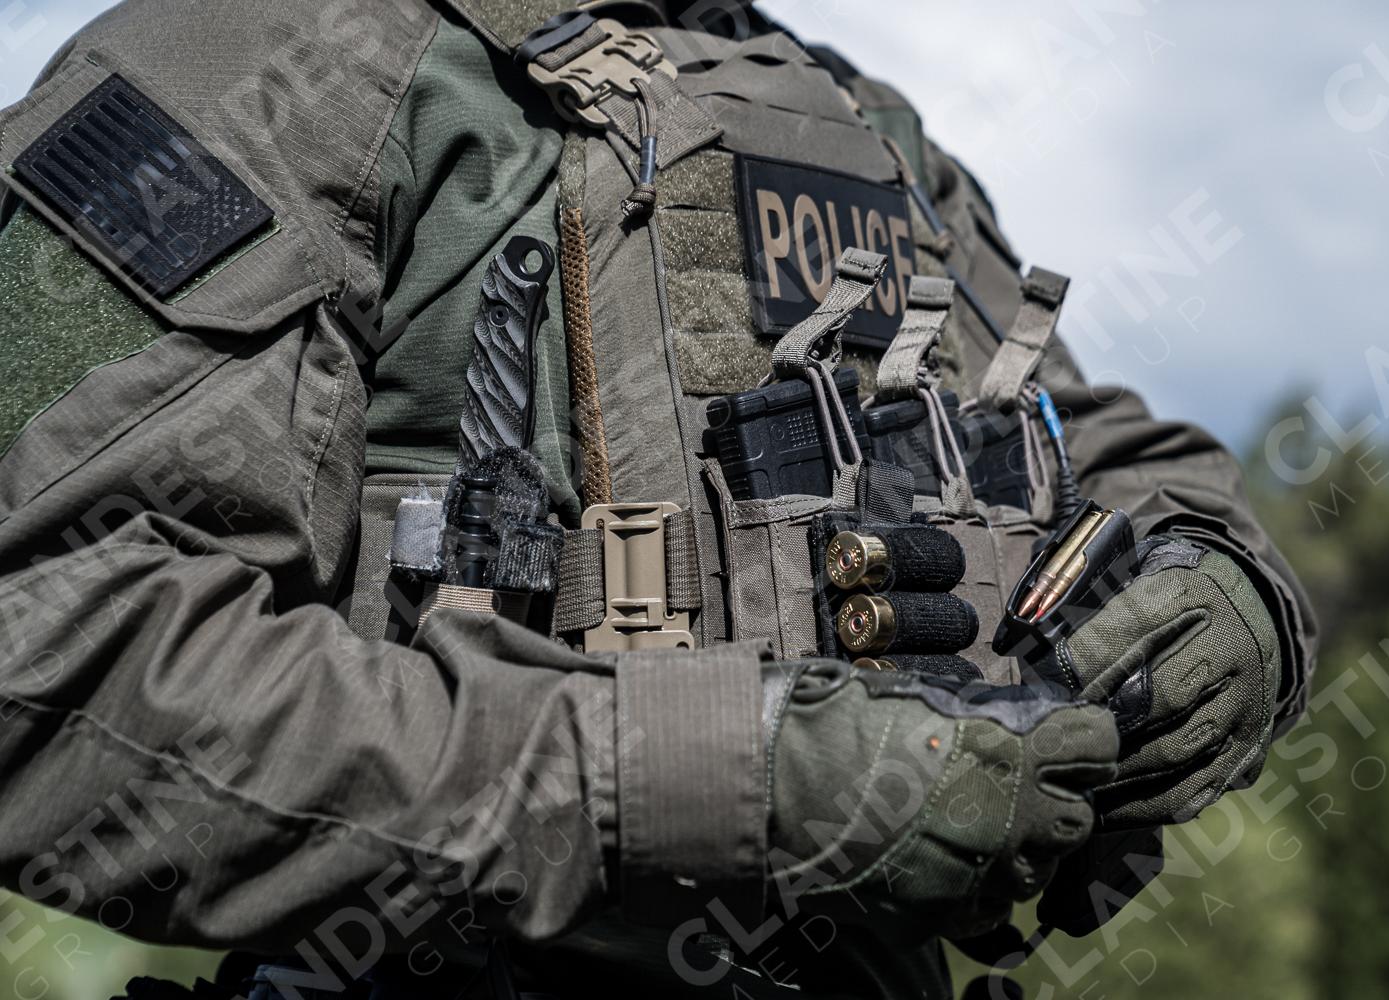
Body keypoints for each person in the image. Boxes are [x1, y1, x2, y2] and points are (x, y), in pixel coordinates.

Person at [0, 1, 1316, 997]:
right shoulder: (256, 55)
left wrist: (1226, 593)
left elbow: (1088, 446)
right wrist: (713, 784)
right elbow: (42, 649)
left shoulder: (857, 122)